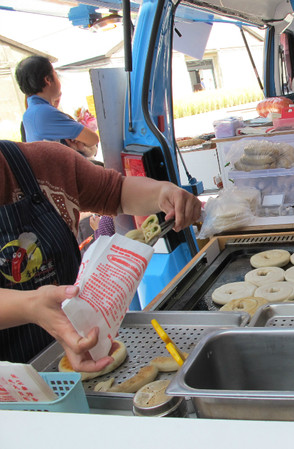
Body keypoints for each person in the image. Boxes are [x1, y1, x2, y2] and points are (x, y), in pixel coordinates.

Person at [0, 140, 203, 371]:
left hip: (84, 350)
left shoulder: (45, 163)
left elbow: (115, 192)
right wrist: (30, 306)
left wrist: (162, 193)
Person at [15, 56, 99, 157]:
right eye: (55, 74)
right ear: (47, 80)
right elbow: (93, 139)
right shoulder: (45, 113)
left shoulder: (30, 113)